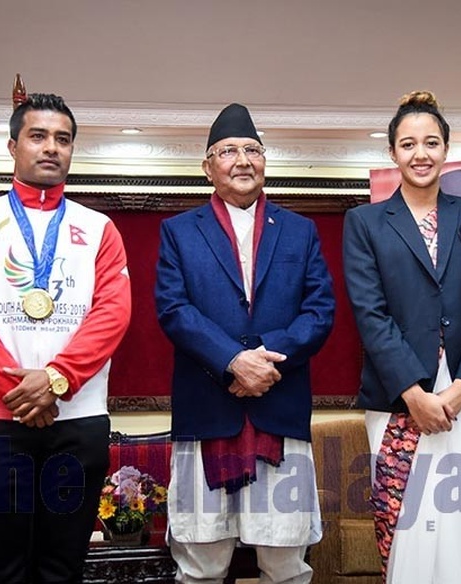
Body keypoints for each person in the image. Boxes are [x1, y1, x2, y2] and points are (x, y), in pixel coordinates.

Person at [0, 93, 131, 583]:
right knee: (2, 566)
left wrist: (57, 379)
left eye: (62, 139)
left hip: (79, 418)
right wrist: (20, 391)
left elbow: (113, 312)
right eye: (38, 136)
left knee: (63, 565)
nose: (51, 148)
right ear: (12, 146)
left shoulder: (99, 227)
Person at [155, 102, 335, 584]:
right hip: (208, 413)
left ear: (265, 161)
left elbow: (320, 312)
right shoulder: (178, 232)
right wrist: (234, 361)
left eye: (252, 149)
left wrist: (263, 362)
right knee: (202, 563)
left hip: (279, 409)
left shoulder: (300, 230)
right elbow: (174, 310)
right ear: (208, 167)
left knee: (286, 562)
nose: (242, 160)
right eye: (228, 150)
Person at [343, 91, 461, 583]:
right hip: (399, 397)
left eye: (431, 143)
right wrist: (413, 392)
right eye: (409, 143)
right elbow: (369, 313)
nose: (421, 154)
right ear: (392, 152)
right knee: (412, 520)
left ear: (446, 149)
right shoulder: (366, 221)